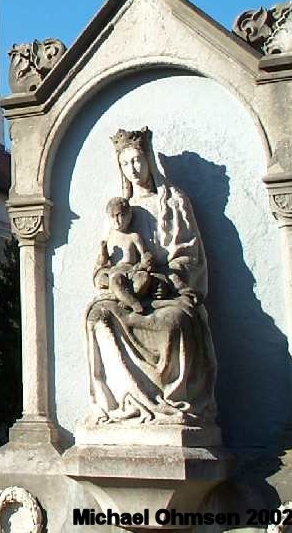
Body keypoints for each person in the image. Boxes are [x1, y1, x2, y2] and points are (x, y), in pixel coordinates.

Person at [84, 127, 217, 426]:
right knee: (98, 316)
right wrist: (106, 276)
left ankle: (174, 406)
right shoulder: (117, 213)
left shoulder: (173, 202)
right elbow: (102, 261)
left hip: (165, 291)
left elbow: (190, 255)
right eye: (125, 164)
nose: (133, 169)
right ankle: (127, 404)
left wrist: (166, 276)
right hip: (127, 290)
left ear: (148, 160)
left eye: (137, 161)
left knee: (176, 322)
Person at [93, 197, 155, 314]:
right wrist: (103, 250)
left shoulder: (133, 236)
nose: (116, 220)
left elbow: (144, 254)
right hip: (117, 272)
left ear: (129, 215)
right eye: (112, 217)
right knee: (115, 280)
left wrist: (147, 260)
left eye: (119, 215)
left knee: (144, 278)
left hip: (133, 271)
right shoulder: (110, 238)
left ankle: (125, 298)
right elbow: (103, 262)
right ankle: (133, 303)